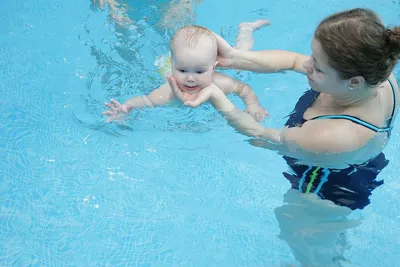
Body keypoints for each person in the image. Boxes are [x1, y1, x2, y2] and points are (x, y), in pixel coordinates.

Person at [168, 8, 400, 266]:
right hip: (357, 163)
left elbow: (262, 137)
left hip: (325, 189)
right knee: (326, 240)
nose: (307, 65)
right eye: (312, 56)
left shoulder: (335, 135)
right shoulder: (376, 70)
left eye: (318, 68)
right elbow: (290, 60)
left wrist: (216, 97)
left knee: (298, 232)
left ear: (353, 82)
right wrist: (235, 57)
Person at [103, 22, 270, 122]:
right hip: (169, 62)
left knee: (239, 61)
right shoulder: (170, 91)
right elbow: (147, 100)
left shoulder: (220, 82)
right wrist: (126, 107)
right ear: (173, 66)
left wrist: (253, 105)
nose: (190, 78)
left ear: (213, 68)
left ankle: (246, 29)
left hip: (208, 60)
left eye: (199, 72)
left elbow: (244, 89)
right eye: (182, 70)